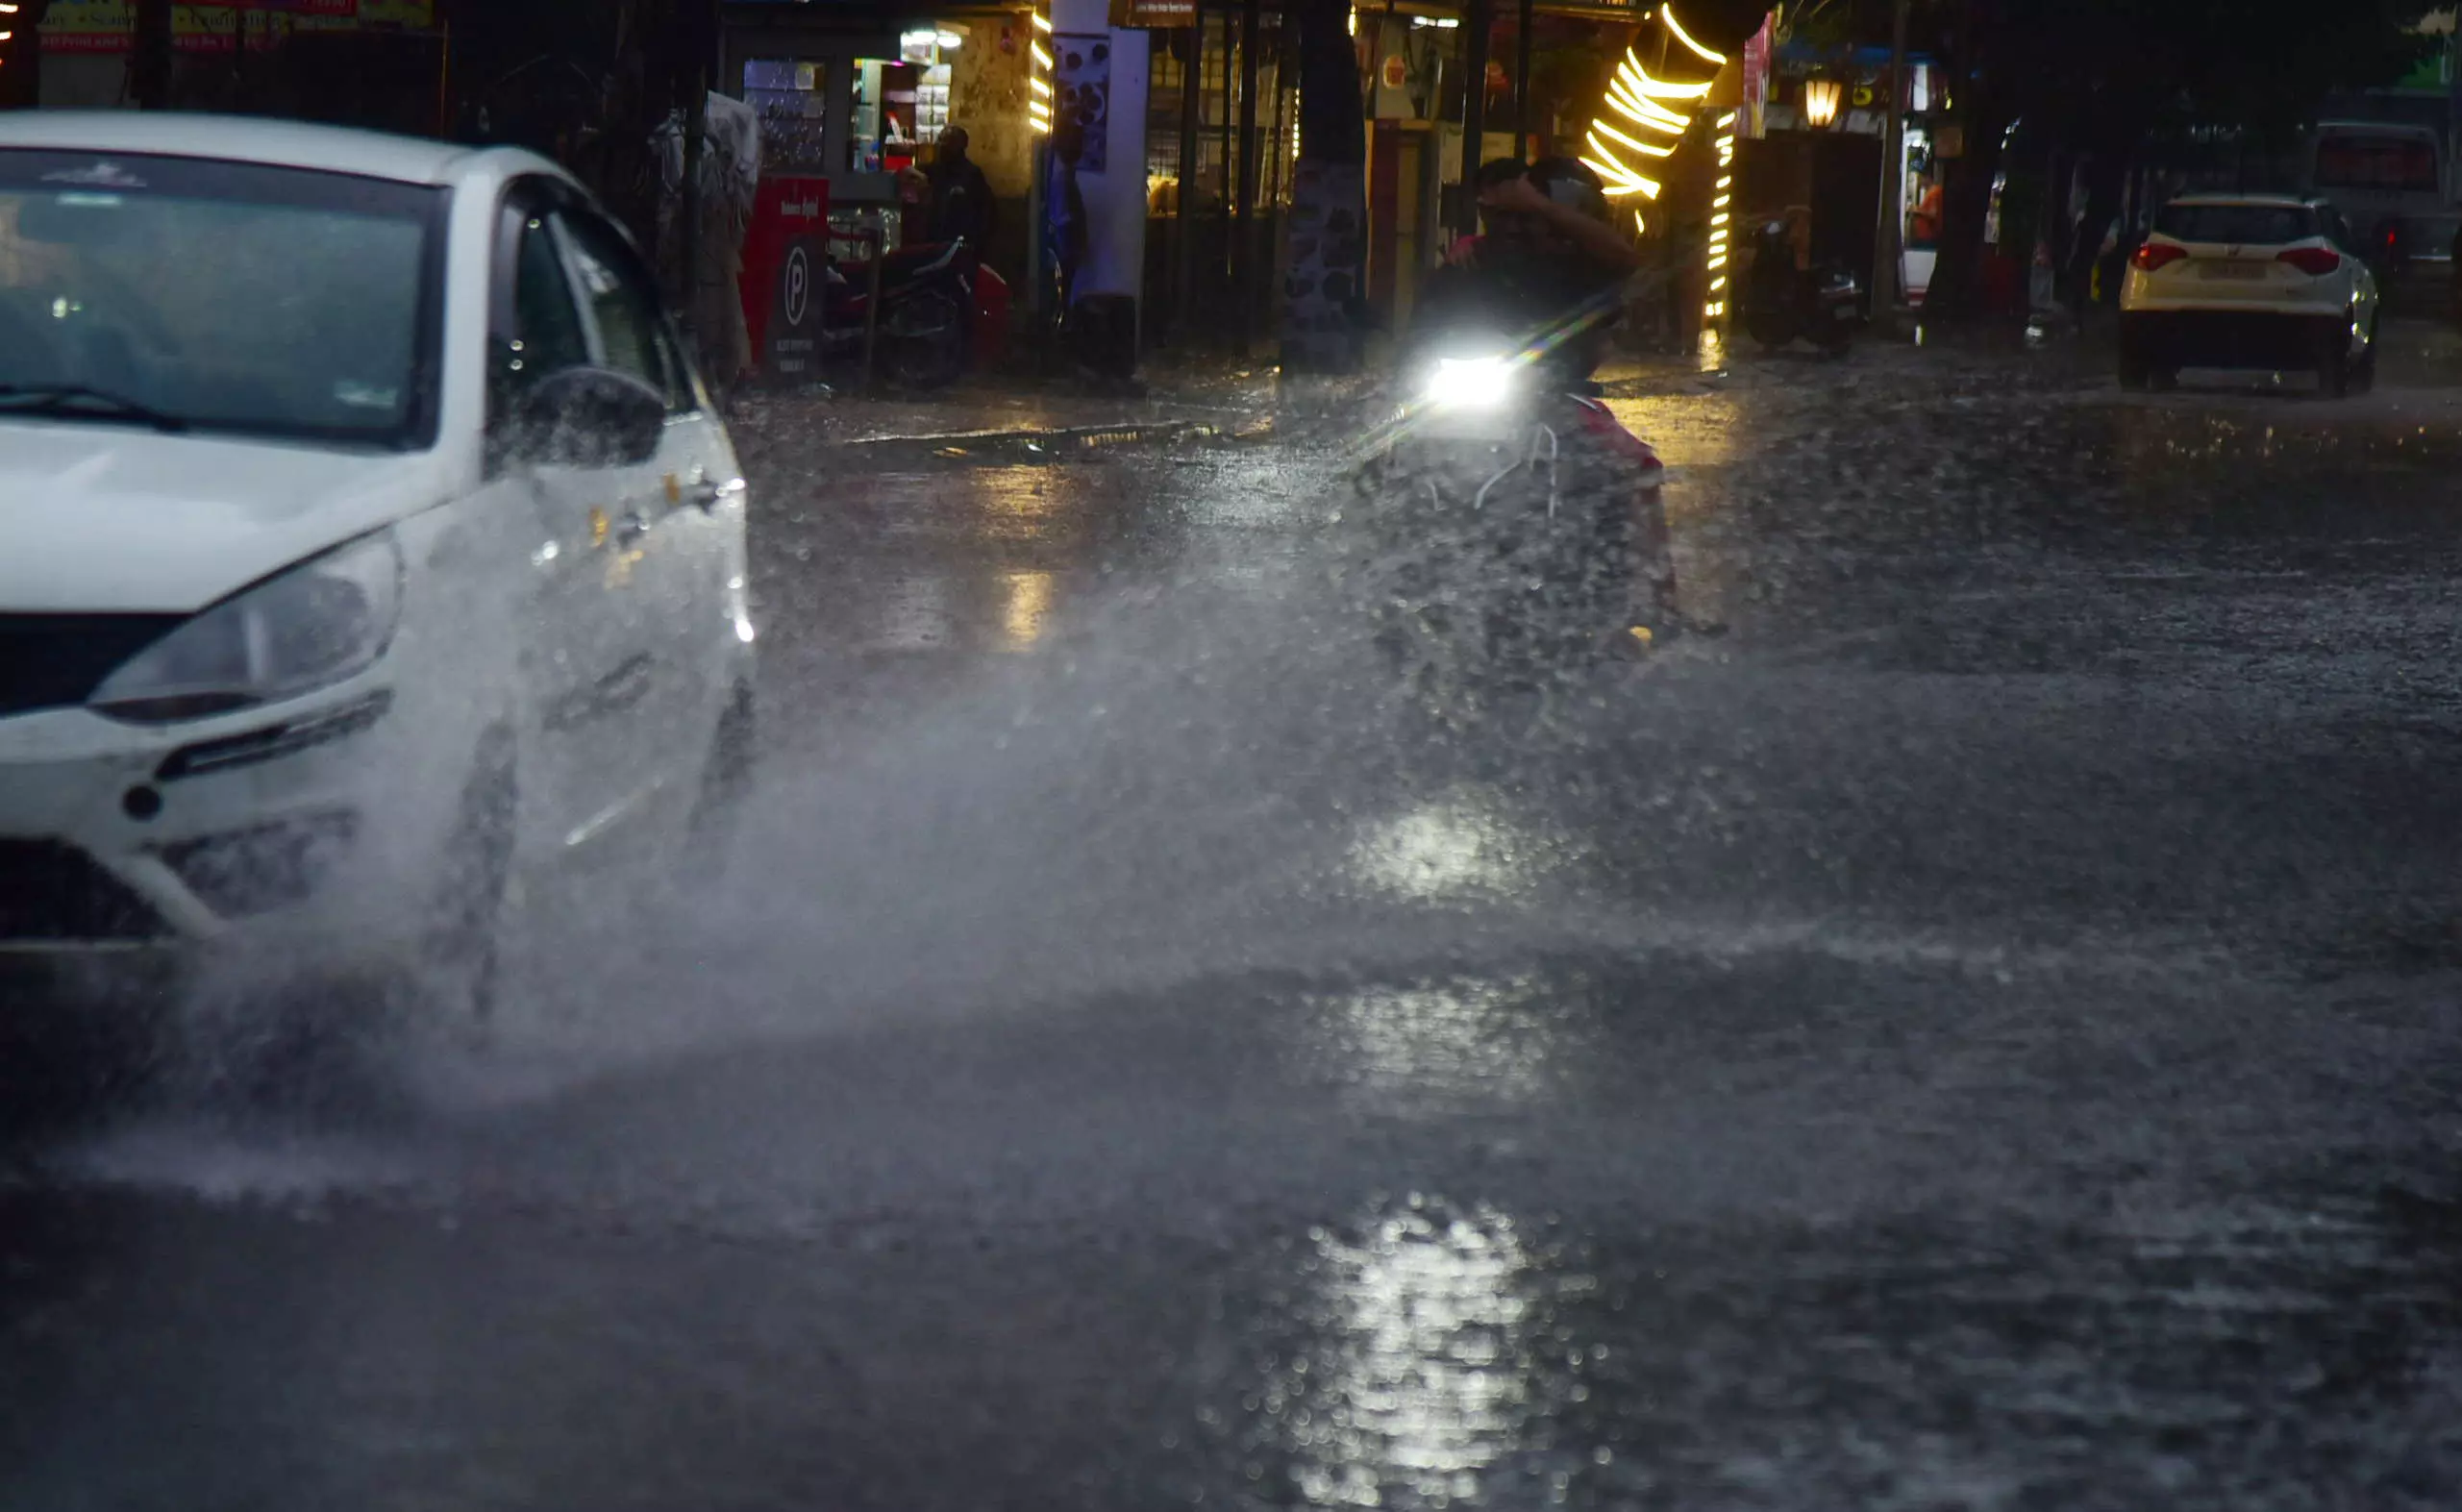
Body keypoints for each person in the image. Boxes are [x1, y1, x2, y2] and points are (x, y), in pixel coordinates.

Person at [1042, 118, 1089, 336]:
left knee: (1064, 290)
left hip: (1063, 239)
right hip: (1065, 240)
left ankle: (1062, 325)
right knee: (1065, 290)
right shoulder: (1063, 178)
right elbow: (1065, 217)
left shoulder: (1059, 172)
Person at [925, 125, 996, 251]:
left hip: (960, 246)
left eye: (948, 141)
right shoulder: (933, 171)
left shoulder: (972, 174)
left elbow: (985, 211)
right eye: (940, 140)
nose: (942, 145)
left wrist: (975, 242)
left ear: (960, 145)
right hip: (933, 244)